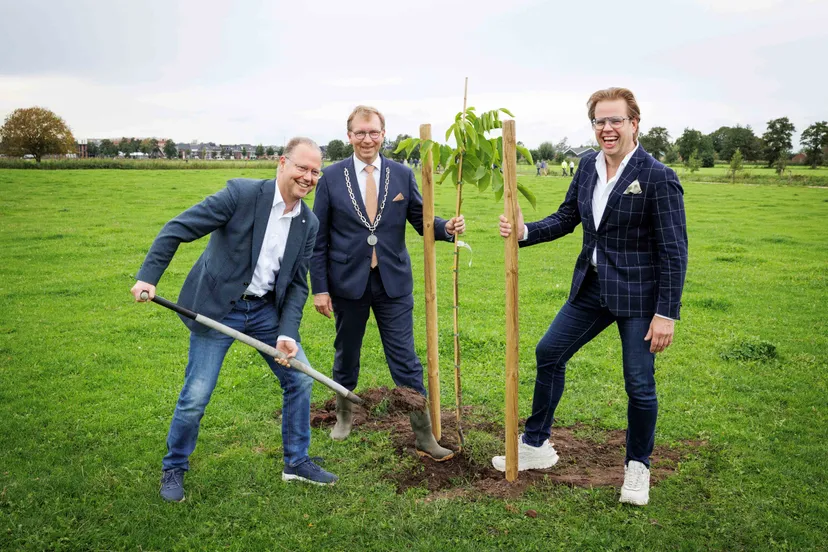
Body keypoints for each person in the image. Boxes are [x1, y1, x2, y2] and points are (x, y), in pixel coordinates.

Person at [492, 88, 688, 506]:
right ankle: (536, 445)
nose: (607, 129)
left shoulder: (657, 176)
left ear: (635, 123)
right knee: (549, 353)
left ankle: (638, 467)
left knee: (638, 383)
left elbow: (674, 251)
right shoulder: (586, 166)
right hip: (592, 287)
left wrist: (666, 313)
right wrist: (525, 233)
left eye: (616, 120)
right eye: (600, 121)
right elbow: (567, 219)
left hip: (639, 298)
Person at [131, 137, 338, 502]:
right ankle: (174, 467)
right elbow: (177, 228)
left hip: (264, 312)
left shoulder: (308, 221)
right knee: (196, 395)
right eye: (302, 168)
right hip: (218, 308)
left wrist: (288, 332)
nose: (308, 177)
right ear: (281, 164)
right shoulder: (241, 195)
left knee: (300, 380)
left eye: (315, 172)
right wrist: (149, 276)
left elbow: (296, 285)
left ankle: (296, 462)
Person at [310, 105, 465, 461]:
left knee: (405, 360)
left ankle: (424, 435)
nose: (367, 138)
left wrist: (446, 228)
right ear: (349, 135)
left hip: (392, 283)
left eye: (374, 132)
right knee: (346, 352)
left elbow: (419, 218)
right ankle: (344, 415)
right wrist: (320, 288)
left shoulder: (400, 174)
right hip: (347, 283)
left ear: (384, 135)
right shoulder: (332, 177)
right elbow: (317, 241)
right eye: (360, 132)